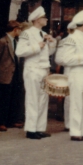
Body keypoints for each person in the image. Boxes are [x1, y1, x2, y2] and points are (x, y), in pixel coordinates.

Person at [16, 7, 57, 140]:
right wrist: (36, 46)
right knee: (32, 99)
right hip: (32, 69)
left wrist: (51, 43)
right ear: (37, 19)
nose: (46, 19)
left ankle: (39, 128)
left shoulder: (43, 33)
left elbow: (48, 53)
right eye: (44, 17)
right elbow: (20, 51)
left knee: (43, 100)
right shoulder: (27, 33)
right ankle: (31, 129)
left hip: (43, 69)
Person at [61, 9, 83, 141]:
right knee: (76, 102)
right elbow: (66, 58)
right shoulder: (71, 38)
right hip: (76, 73)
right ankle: (75, 131)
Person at [0, 20, 24, 131]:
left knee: (13, 98)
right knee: (2, 99)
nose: (20, 32)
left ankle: (11, 120)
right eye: (19, 29)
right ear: (15, 29)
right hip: (4, 75)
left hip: (15, 74)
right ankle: (1, 122)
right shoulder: (2, 42)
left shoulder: (16, 42)